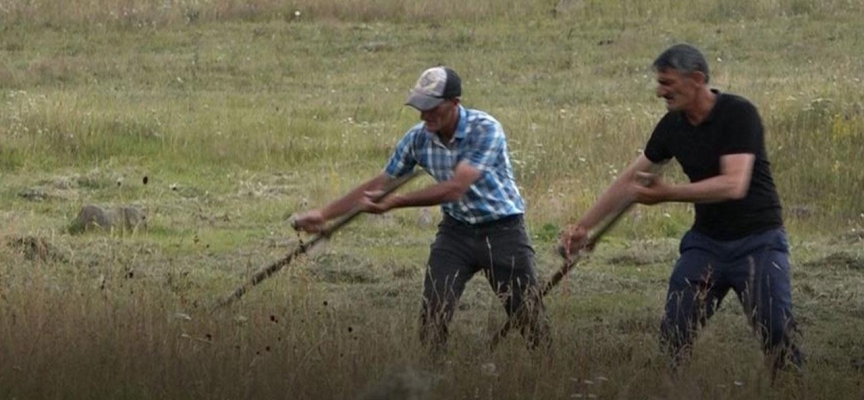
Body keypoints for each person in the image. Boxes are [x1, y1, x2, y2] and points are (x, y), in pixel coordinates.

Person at [560, 44, 802, 373]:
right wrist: (584, 228)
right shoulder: (673, 125)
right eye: (659, 83)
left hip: (759, 242)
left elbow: (733, 184)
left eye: (668, 83)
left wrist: (667, 193)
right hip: (706, 244)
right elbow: (630, 180)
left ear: (697, 79)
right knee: (675, 333)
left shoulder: (737, 114)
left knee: (778, 337)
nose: (660, 91)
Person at [293, 66, 550, 353]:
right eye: (420, 107)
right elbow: (380, 183)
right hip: (456, 232)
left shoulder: (485, 129)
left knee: (528, 317)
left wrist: (396, 203)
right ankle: (430, 377)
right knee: (433, 314)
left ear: (455, 103)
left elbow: (455, 188)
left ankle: (550, 372)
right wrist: (325, 214)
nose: (424, 115)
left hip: (503, 231)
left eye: (431, 108)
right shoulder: (417, 138)